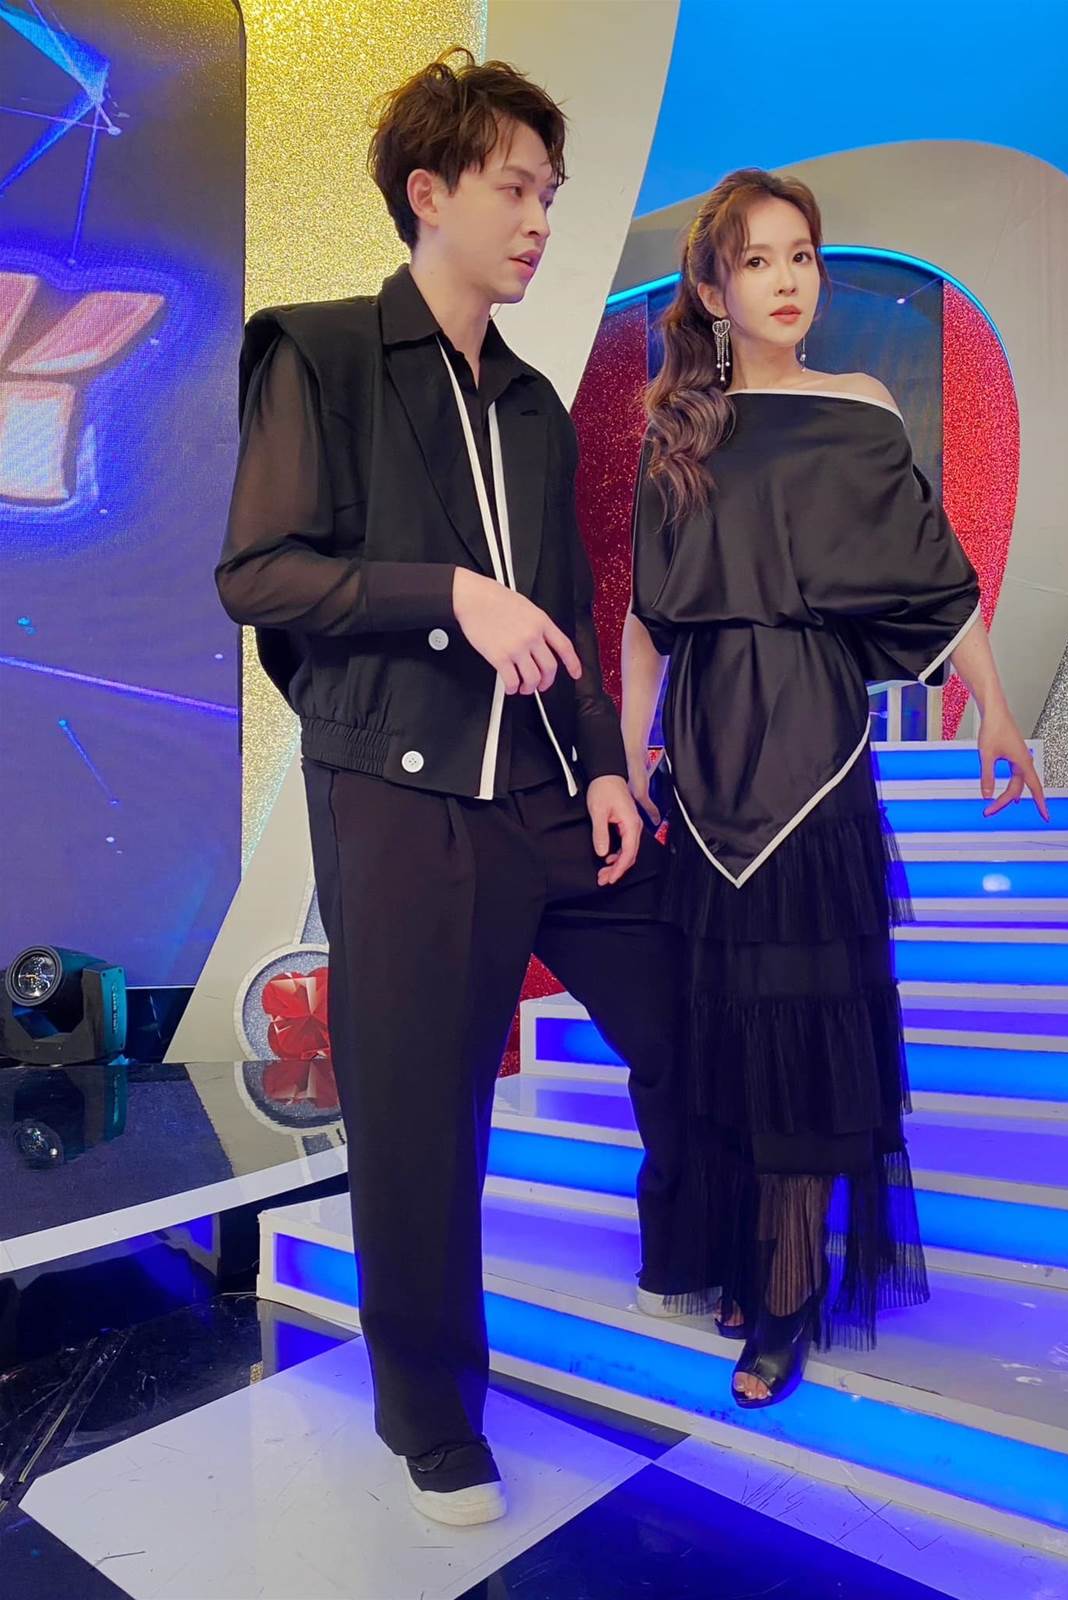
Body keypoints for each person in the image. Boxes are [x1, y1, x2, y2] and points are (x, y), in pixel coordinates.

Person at [215, 48, 705, 1525]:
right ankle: (431, 1416)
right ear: (428, 193)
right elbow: (260, 573)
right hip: (403, 796)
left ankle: (690, 1249)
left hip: (547, 793)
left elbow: (566, 601)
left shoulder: (536, 405)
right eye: (516, 188)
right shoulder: (317, 353)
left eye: (552, 192)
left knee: (695, 996)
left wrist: (605, 767)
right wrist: (446, 595)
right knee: (424, 1120)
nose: (541, 218)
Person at [621, 168, 1048, 1409]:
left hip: (811, 759)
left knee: (806, 1027)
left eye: (801, 255)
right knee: (723, 1031)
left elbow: (935, 576)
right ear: (713, 290)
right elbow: (648, 621)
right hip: (704, 766)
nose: (787, 279)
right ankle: (743, 1252)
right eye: (757, 260)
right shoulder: (679, 432)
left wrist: (996, 708)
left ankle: (790, 1289)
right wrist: (632, 758)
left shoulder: (862, 408)